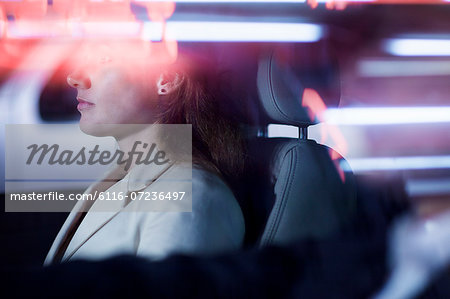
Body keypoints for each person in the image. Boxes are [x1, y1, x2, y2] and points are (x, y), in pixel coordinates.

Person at [44, 41, 245, 265]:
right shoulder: (121, 178)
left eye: (103, 60)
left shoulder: (193, 197)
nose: (74, 77)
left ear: (166, 80)